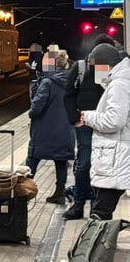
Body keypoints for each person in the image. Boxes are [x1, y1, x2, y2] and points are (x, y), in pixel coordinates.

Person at [63, 34, 119, 219]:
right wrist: (74, 119)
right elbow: (68, 94)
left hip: (106, 123)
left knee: (103, 166)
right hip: (85, 122)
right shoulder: (81, 67)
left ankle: (97, 206)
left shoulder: (116, 71)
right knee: (85, 163)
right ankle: (79, 204)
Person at [78, 43, 130, 220]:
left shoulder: (119, 85)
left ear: (104, 64)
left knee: (100, 214)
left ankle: (95, 248)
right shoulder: (119, 81)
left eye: (95, 66)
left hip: (115, 158)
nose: (94, 71)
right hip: (114, 156)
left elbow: (114, 121)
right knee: (101, 211)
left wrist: (88, 116)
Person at [25, 47, 74, 204]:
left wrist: (31, 112)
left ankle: (23, 191)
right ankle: (59, 193)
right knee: (61, 160)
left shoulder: (47, 82)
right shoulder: (71, 82)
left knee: (32, 159)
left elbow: (36, 108)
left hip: (44, 131)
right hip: (65, 130)